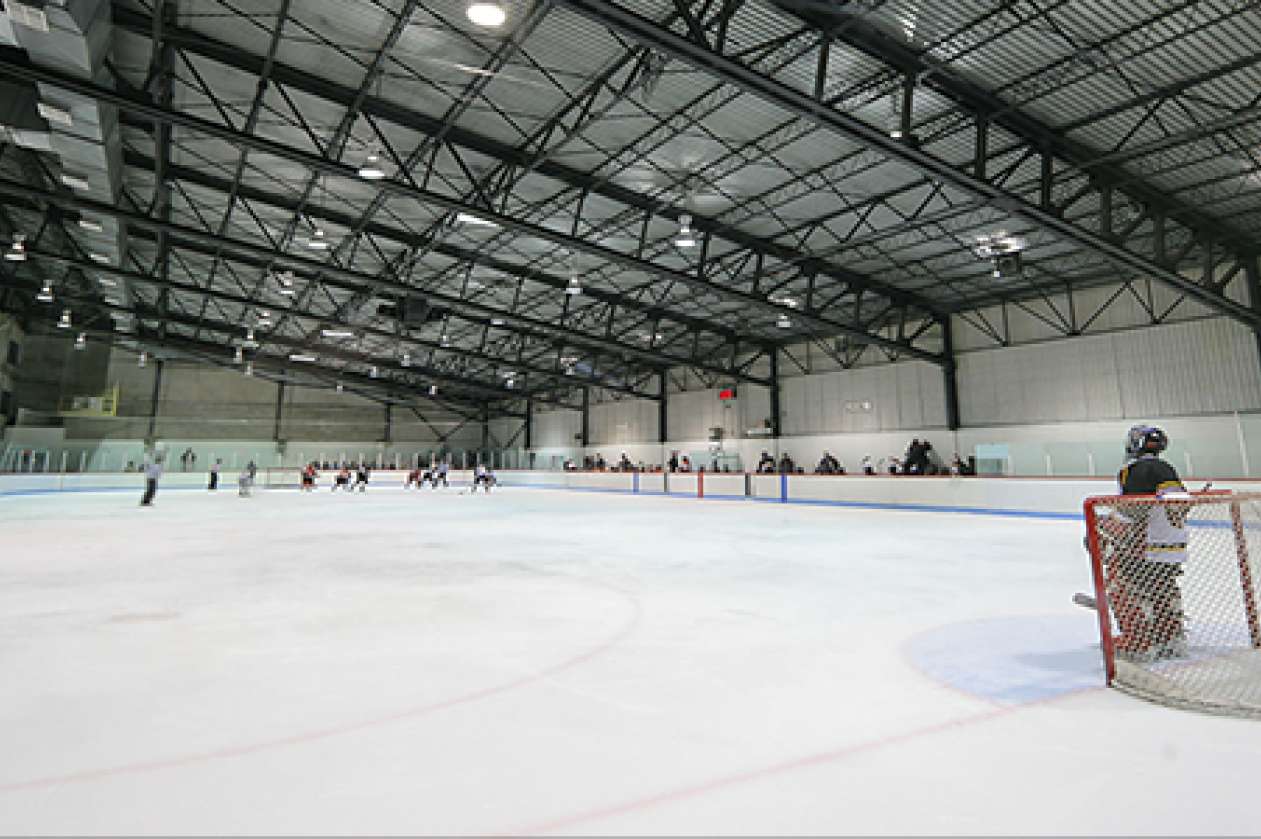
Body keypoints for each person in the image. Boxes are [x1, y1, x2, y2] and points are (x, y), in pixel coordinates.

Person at [1094, 425, 1190, 662]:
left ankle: (1138, 643)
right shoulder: (1167, 468)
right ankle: (1171, 638)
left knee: (1121, 584)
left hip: (1148, 545)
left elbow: (1131, 514)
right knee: (1162, 587)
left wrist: (1100, 525)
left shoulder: (1135, 469)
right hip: (1174, 547)